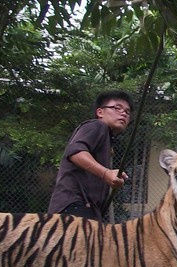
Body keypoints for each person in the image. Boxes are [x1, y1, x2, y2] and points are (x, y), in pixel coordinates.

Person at [48, 90, 133, 222]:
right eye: (117, 108)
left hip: (82, 209)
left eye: (127, 112)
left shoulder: (107, 138)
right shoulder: (97, 125)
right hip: (74, 208)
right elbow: (75, 152)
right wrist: (106, 173)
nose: (123, 113)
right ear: (100, 112)